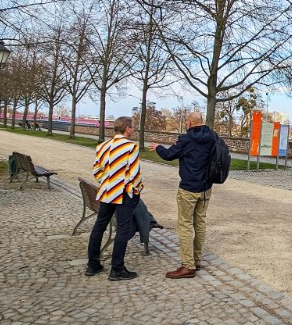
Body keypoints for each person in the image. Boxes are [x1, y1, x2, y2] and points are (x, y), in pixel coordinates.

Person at [149, 110, 215, 279]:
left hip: (189, 188)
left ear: (190, 123)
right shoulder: (213, 136)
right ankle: (197, 260)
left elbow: (169, 155)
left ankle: (188, 265)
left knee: (184, 225)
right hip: (206, 187)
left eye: (187, 122)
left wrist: (157, 147)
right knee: (200, 222)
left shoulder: (186, 139)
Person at [85, 116, 143, 281]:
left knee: (99, 226)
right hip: (124, 192)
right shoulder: (130, 147)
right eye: (132, 128)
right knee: (123, 228)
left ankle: (92, 264)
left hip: (106, 191)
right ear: (127, 129)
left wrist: (107, 182)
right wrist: (136, 189)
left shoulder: (103, 146)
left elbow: (97, 170)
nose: (133, 130)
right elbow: (134, 173)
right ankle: (117, 268)